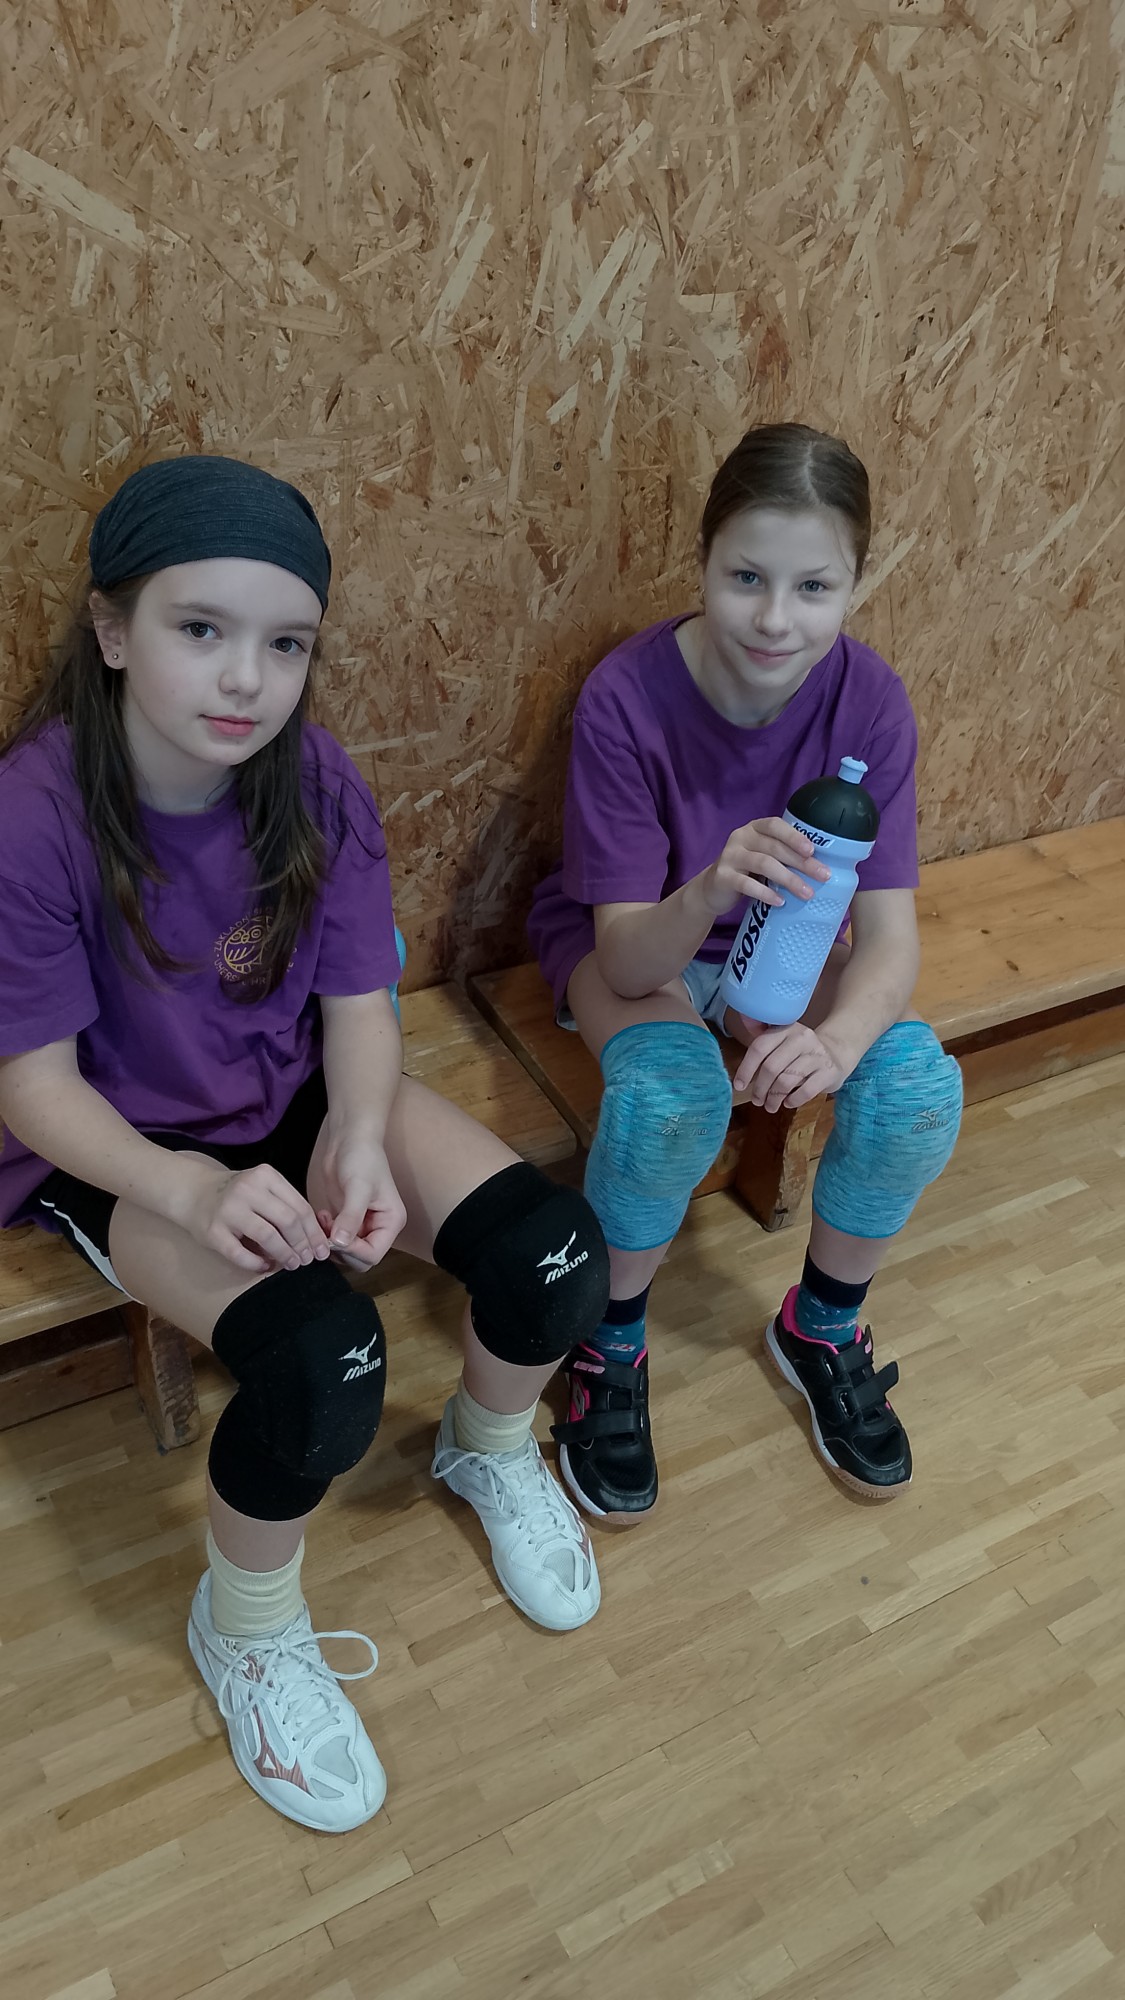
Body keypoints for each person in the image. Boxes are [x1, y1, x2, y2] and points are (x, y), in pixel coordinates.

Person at [0, 456, 609, 1835]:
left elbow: (357, 1004)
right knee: (326, 1363)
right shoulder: (33, 817)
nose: (247, 679)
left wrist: (361, 1135)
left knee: (555, 1256)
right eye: (200, 628)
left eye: (286, 645)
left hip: (290, 1089)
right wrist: (186, 1185)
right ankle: (248, 1625)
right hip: (125, 1142)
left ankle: (487, 1446)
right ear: (111, 630)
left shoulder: (315, 779)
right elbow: (32, 1088)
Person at [528, 422, 962, 1524]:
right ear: (704, 561)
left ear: (855, 582)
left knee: (915, 1089)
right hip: (644, 940)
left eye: (814, 586)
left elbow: (890, 938)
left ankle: (821, 1325)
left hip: (790, 949)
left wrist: (839, 1043)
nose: (776, 618)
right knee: (674, 1096)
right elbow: (625, 953)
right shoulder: (626, 697)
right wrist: (711, 887)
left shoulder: (871, 700)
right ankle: (608, 1343)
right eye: (747, 578)